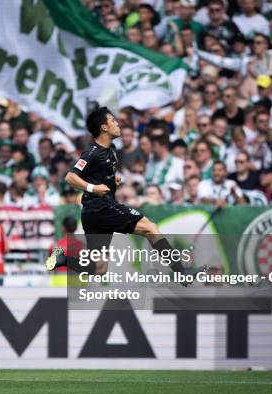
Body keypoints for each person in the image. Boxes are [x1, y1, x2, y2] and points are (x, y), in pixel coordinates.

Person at [46, 107, 196, 281]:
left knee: (100, 269)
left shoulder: (111, 150)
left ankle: (63, 259)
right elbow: (70, 177)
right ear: (104, 127)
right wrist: (93, 188)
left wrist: (111, 180)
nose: (117, 124)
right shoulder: (92, 152)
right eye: (113, 121)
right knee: (150, 228)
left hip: (92, 214)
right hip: (101, 208)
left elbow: (98, 173)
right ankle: (181, 272)